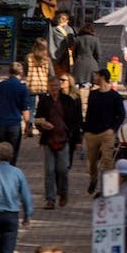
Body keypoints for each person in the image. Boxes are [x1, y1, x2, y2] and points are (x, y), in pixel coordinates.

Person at [34, 75, 82, 209]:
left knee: (62, 169)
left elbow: (75, 121)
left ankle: (63, 192)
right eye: (52, 86)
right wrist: (42, 124)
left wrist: (77, 140)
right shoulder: (44, 101)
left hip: (64, 138)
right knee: (49, 171)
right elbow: (38, 118)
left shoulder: (67, 101)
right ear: (48, 88)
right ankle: (50, 199)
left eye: (56, 86)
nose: (54, 89)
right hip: (48, 139)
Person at [83, 70, 125, 193]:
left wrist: (113, 129)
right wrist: (85, 130)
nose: (94, 77)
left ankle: (109, 188)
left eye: (96, 75)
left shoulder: (115, 96)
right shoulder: (93, 94)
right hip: (91, 132)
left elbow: (121, 114)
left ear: (102, 77)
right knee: (91, 162)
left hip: (107, 132)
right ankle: (93, 179)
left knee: (107, 161)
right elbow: (89, 113)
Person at [0, 63, 31, 164]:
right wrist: (27, 125)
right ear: (21, 72)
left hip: (1, 123)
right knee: (12, 153)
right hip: (14, 125)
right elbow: (25, 109)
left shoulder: (1, 85)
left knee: (0, 152)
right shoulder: (22, 88)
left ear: (9, 72)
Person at [49, 11, 75, 78]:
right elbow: (51, 41)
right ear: (58, 19)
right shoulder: (53, 29)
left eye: (65, 19)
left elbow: (72, 41)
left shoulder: (70, 29)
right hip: (57, 52)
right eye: (62, 18)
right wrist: (52, 53)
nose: (64, 20)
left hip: (67, 54)